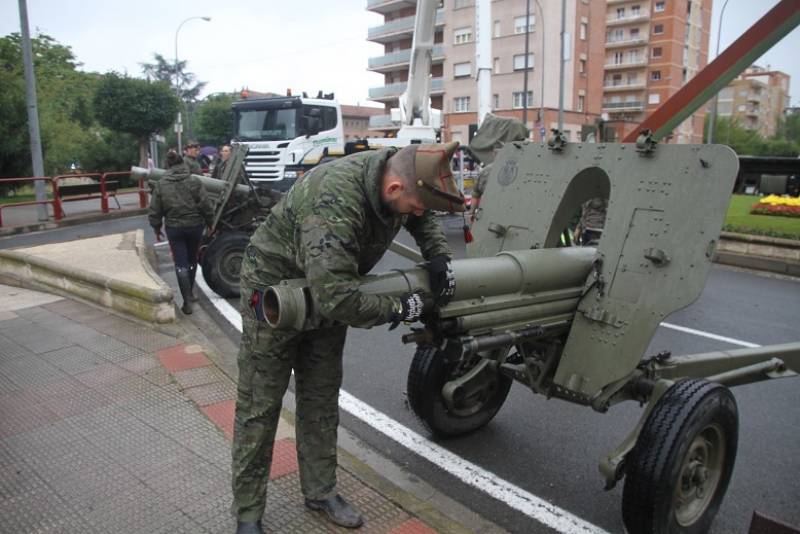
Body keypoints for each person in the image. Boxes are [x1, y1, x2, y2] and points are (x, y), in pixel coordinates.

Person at [232, 142, 464, 534]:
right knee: (260, 405)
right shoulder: (335, 203)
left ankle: (321, 492)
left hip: (330, 287)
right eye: (414, 206)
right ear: (392, 190)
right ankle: (249, 513)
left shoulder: (399, 171)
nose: (419, 214)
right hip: (275, 299)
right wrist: (404, 308)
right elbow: (340, 301)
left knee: (320, 398)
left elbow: (420, 213)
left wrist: (438, 254)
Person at [148, 150, 214, 314]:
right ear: (182, 164)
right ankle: (190, 293)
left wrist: (157, 228)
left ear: (168, 166)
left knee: (180, 263)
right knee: (192, 260)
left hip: (174, 227)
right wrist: (210, 222)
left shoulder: (161, 184)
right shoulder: (194, 181)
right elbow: (206, 204)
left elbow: (155, 210)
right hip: (194, 226)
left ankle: (186, 301)